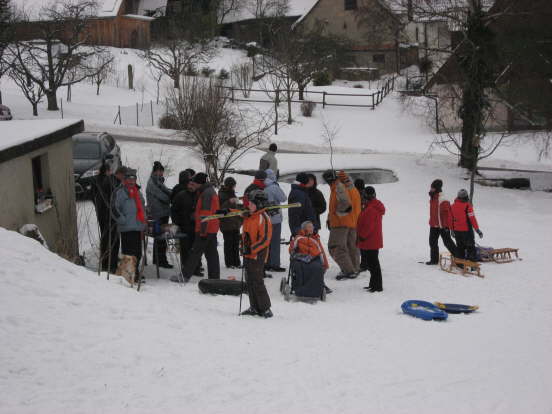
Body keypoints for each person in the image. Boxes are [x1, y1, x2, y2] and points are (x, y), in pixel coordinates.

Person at [176, 173, 220, 282]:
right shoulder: (209, 191)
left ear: (199, 183)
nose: (193, 184)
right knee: (212, 255)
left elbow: (206, 214)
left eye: (194, 182)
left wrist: (203, 232)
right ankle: (214, 279)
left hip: (205, 229)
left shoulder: (206, 194)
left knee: (195, 253)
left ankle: (184, 276)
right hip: (212, 228)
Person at [240, 190, 273, 318]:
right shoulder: (250, 216)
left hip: (258, 253)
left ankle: (265, 309)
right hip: (248, 252)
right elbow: (246, 235)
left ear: (259, 204)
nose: (249, 205)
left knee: (257, 280)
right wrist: (243, 246)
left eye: (252, 204)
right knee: (249, 280)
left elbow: (265, 239)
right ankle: (254, 306)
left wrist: (252, 248)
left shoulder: (263, 218)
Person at [323, 170, 361, 280]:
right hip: (352, 223)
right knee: (351, 247)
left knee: (336, 247)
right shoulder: (352, 188)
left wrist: (337, 214)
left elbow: (345, 204)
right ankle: (354, 268)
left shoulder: (339, 187)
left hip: (341, 223)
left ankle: (349, 270)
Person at [113, 168, 146, 283]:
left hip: (137, 227)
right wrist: (122, 220)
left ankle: (134, 274)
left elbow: (142, 207)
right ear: (125, 180)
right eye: (129, 179)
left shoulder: (137, 192)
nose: (132, 181)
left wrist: (144, 221)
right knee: (128, 255)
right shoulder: (120, 192)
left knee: (137, 254)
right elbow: (114, 209)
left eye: (134, 179)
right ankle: (127, 276)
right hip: (127, 228)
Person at [171, 171, 202, 274]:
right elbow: (173, 210)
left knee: (195, 248)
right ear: (187, 184)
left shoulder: (198, 196)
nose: (192, 186)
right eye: (190, 184)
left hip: (196, 226)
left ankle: (196, 268)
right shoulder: (181, 195)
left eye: (193, 184)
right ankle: (186, 269)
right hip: (184, 226)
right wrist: (177, 223)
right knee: (185, 249)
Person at [91, 163, 119, 273]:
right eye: (110, 170)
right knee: (112, 240)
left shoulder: (96, 181)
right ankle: (111, 265)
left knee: (104, 239)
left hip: (101, 214)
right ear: (107, 171)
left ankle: (105, 263)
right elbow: (113, 199)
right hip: (109, 215)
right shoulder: (108, 182)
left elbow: (93, 197)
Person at [289, 221, 329, 298]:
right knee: (299, 267)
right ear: (304, 228)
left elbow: (321, 252)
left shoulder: (316, 238)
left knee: (317, 267)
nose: (312, 228)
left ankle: (316, 288)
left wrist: (325, 265)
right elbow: (291, 249)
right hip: (300, 258)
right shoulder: (298, 238)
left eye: (312, 227)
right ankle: (299, 288)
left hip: (314, 258)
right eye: (309, 227)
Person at [357, 186, 385, 292]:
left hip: (370, 240)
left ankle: (377, 286)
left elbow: (369, 225)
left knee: (373, 264)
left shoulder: (371, 209)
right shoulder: (371, 206)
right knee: (372, 263)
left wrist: (362, 236)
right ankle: (373, 284)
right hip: (372, 239)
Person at [146, 161, 173, 268]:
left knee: (162, 236)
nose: (161, 174)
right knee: (160, 237)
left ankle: (158, 259)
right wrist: (171, 197)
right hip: (157, 214)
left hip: (163, 212)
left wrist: (172, 192)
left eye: (162, 172)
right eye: (160, 171)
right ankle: (160, 260)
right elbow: (163, 196)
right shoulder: (152, 183)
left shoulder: (158, 181)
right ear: (156, 171)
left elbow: (166, 191)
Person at [426, 179, 457, 265]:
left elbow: (447, 214)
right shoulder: (433, 198)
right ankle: (434, 260)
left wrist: (446, 227)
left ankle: (459, 259)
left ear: (436, 188)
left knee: (448, 243)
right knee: (432, 242)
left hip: (443, 226)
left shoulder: (443, 199)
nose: (431, 189)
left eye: (432, 188)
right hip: (434, 225)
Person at [264, 169, 287, 272]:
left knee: (267, 241)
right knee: (275, 242)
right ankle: (275, 264)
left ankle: (267, 262)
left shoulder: (262, 186)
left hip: (265, 218)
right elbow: (283, 198)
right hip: (275, 218)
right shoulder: (274, 187)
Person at [451, 189, 483, 262]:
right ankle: (472, 265)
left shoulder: (452, 206)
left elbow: (451, 219)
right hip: (467, 231)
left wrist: (452, 230)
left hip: (456, 231)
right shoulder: (468, 206)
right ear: (466, 197)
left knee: (460, 247)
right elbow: (472, 219)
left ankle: (460, 263)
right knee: (470, 247)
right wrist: (477, 230)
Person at [218, 176, 242, 269]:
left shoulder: (232, 193)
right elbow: (220, 209)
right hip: (226, 223)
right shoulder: (221, 194)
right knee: (228, 244)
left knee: (235, 243)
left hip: (235, 223)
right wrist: (229, 202)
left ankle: (237, 262)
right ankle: (229, 263)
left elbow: (235, 207)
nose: (233, 188)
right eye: (232, 186)